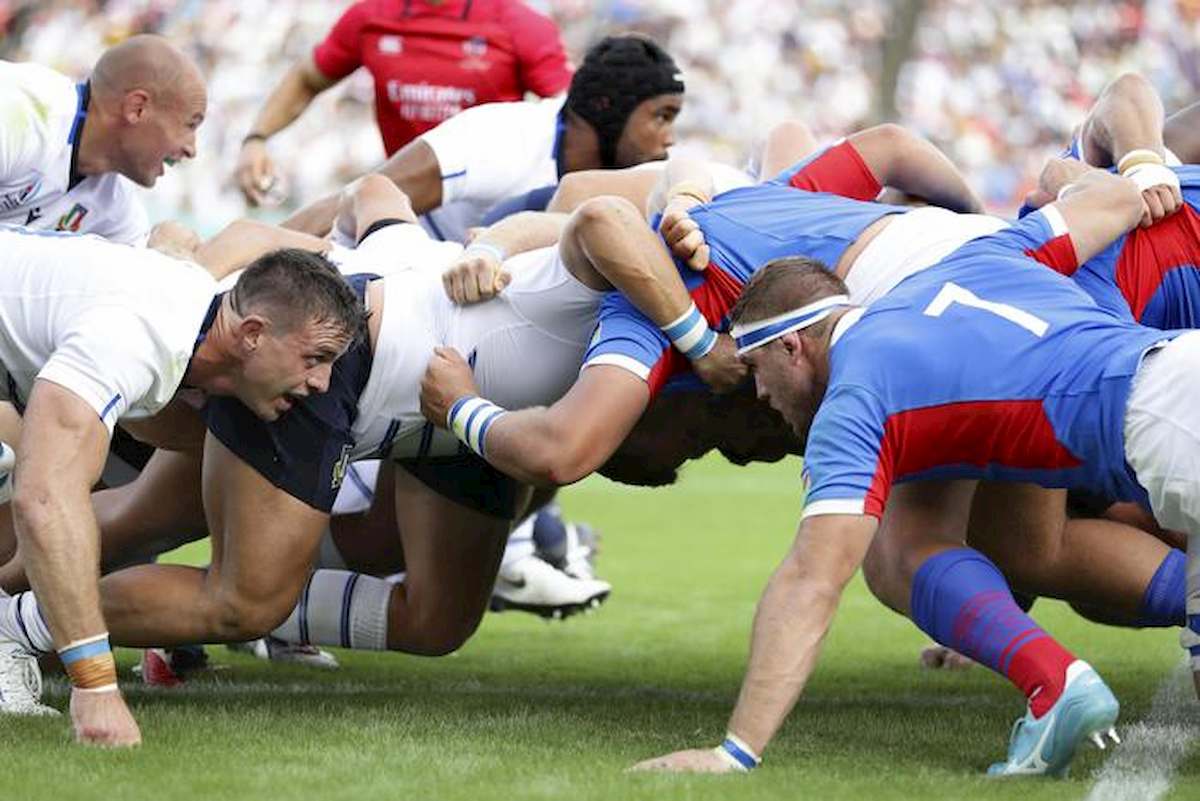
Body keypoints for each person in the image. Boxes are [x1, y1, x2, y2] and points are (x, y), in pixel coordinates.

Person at [633, 166, 1190, 777]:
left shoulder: (856, 398)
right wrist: (1100, 168)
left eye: (756, 368)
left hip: (1167, 433)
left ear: (793, 347)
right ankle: (1058, 690)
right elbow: (1116, 196)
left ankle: (1058, 683)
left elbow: (812, 580)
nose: (759, 394)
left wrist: (734, 751)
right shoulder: (974, 256)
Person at [0, 232, 364, 749]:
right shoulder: (141, 336)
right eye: (315, 358)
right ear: (253, 334)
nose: (323, 382)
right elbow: (43, 498)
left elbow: (246, 236)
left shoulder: (187, 316)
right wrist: (96, 686)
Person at [281, 33, 685, 243]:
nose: (669, 139)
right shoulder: (500, 138)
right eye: (661, 117)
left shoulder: (645, 176)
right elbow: (353, 202)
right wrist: (254, 255)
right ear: (605, 106)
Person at [236, 0, 572, 206]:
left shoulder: (520, 23)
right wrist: (257, 139)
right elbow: (308, 78)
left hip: (491, 204)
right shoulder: (370, 16)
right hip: (406, 205)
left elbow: (569, 115)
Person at [0, 35, 206, 245]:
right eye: (190, 125)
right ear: (137, 108)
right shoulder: (20, 115)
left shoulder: (118, 206)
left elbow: (142, 261)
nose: (191, 150)